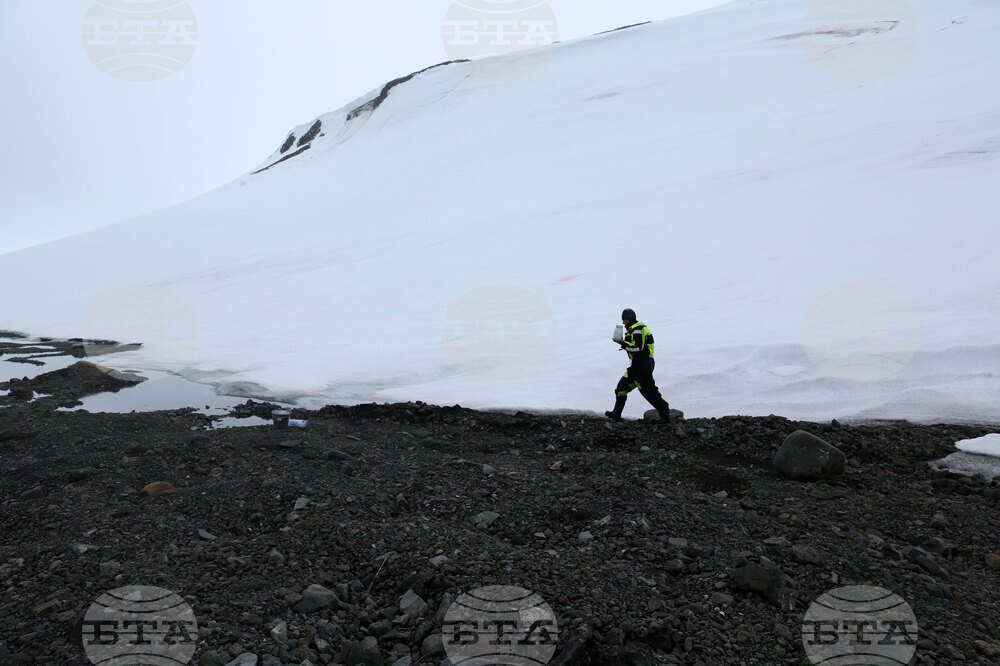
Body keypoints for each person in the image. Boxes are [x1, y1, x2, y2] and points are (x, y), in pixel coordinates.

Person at [606, 308, 671, 423]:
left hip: (644, 366)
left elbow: (637, 348)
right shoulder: (633, 329)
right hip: (635, 366)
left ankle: (665, 416)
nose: (623, 323)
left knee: (649, 392)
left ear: (628, 319)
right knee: (621, 388)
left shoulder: (638, 330)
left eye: (624, 320)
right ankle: (616, 414)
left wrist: (621, 343)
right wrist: (622, 342)